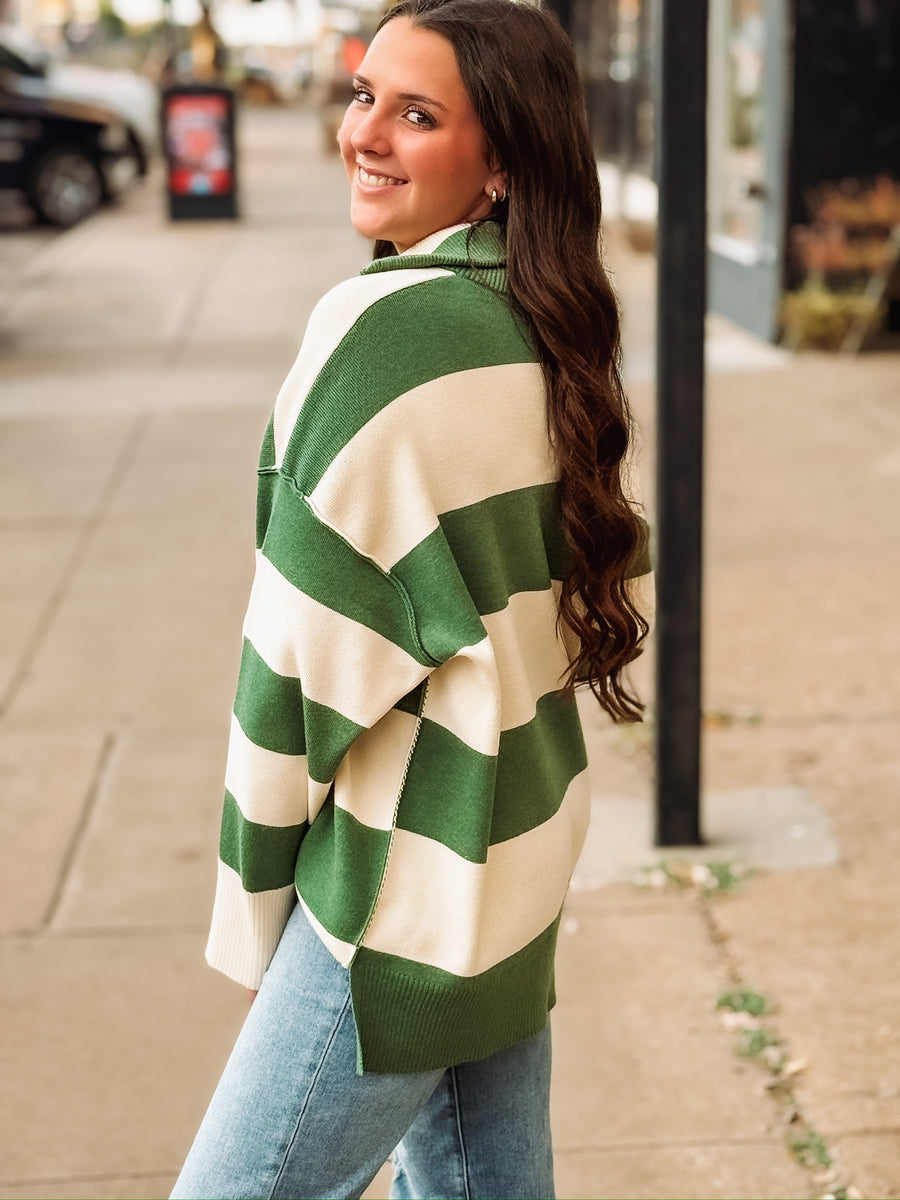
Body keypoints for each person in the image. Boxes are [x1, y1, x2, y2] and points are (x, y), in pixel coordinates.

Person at [171, 0, 649, 1196]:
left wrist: (254, 902)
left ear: (500, 165)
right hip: (511, 864)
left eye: (418, 113)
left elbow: (294, 676)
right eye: (362, 94)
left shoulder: (380, 336)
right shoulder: (549, 331)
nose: (364, 132)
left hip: (395, 900)